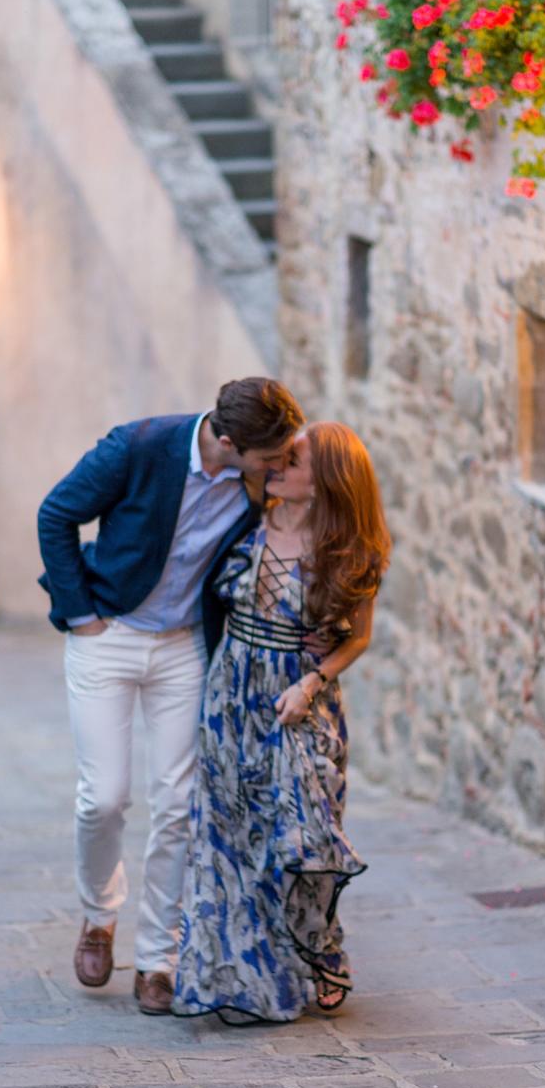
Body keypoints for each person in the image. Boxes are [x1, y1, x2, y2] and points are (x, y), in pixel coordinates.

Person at [37, 378, 305, 1014]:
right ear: (229, 442)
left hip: (186, 648)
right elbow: (57, 514)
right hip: (108, 633)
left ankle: (159, 958)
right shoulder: (138, 445)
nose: (278, 468)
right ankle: (99, 917)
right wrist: (81, 615)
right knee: (103, 798)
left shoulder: (253, 483)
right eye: (269, 458)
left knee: (181, 803)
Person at [173, 421, 390, 1023]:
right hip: (229, 698)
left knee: (301, 836)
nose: (275, 465)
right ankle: (245, 977)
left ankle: (322, 948)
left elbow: (359, 637)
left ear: (323, 481)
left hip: (299, 702)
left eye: (291, 460)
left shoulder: (350, 548)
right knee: (228, 837)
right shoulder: (244, 517)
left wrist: (313, 681)